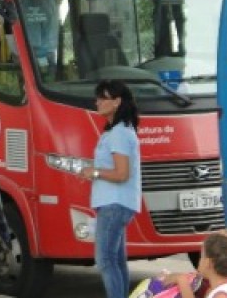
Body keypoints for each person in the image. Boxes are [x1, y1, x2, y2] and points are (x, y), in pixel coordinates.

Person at [79, 79, 141, 298]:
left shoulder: (119, 134)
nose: (97, 102)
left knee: (105, 260)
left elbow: (122, 173)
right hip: (118, 202)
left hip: (114, 203)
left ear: (116, 102)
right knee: (116, 260)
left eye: (102, 98)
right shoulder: (120, 131)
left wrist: (94, 172)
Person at [175, 233, 227, 298]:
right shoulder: (221, 289)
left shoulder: (221, 296)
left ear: (208, 262)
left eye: (202, 257)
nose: (200, 261)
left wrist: (182, 281)